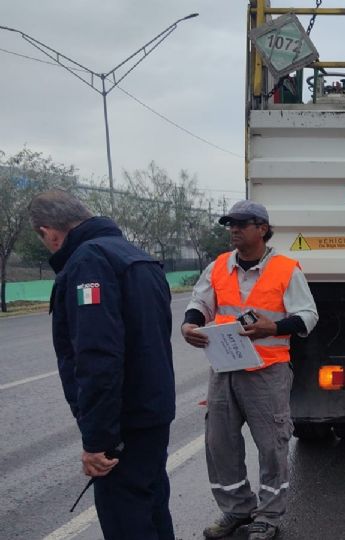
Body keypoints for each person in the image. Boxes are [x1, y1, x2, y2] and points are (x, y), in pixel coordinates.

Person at [28, 190, 176, 540]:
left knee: (127, 519)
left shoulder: (88, 262)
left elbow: (98, 357)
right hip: (153, 413)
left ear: (48, 231)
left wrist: (97, 440)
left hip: (123, 422)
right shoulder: (137, 256)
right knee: (153, 508)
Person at [181, 200, 318, 540]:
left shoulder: (285, 269)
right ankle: (237, 509)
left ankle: (269, 516)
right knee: (219, 442)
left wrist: (273, 328)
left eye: (241, 223)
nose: (233, 229)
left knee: (272, 444)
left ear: (262, 229)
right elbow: (200, 302)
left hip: (267, 371)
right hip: (225, 369)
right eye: (230, 223)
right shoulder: (218, 267)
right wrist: (189, 325)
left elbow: (308, 315)